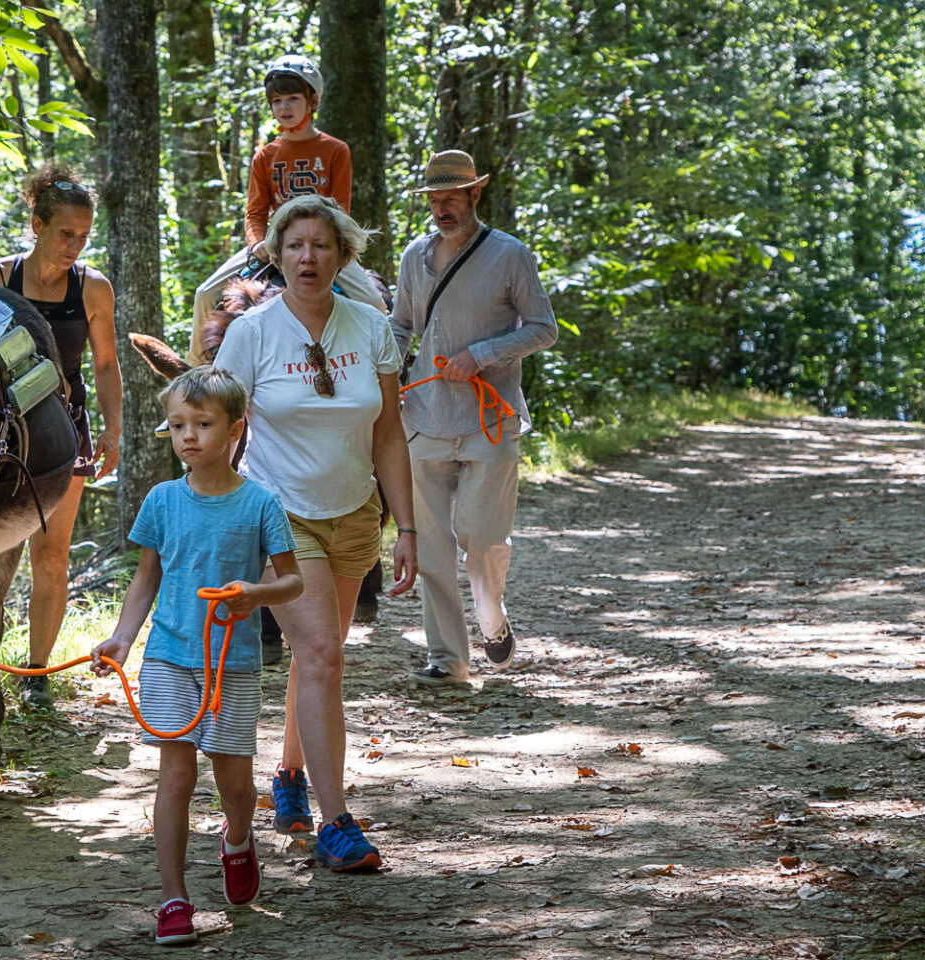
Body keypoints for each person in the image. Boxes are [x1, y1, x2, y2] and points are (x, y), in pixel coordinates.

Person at [212, 194, 418, 872]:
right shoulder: (253, 334)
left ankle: (290, 775)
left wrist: (406, 525)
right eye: (295, 245)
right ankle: (337, 823)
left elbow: (387, 432)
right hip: (282, 516)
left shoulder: (370, 328)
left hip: (356, 512)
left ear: (342, 255)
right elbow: (221, 429)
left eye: (321, 246)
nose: (308, 257)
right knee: (325, 653)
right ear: (274, 253)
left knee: (315, 655)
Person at [90, 366, 303, 945]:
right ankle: (173, 899)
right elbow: (145, 580)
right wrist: (122, 639)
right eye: (179, 424)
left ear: (236, 430)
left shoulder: (261, 504)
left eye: (203, 424)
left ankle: (237, 839)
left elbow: (293, 584)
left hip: (232, 664)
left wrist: (254, 594)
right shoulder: (161, 500)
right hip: (168, 655)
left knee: (235, 784)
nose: (189, 436)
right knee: (176, 773)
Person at [389, 150, 558, 687]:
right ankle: (447, 659)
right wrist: (387, 373)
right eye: (434, 200)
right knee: (432, 545)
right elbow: (399, 326)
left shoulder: (510, 255)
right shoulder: (415, 256)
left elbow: (542, 328)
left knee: (482, 539)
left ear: (474, 196)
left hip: (491, 418)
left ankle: (492, 617)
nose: (442, 209)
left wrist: (482, 354)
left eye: (451, 199)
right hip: (423, 417)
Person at [0, 165, 122, 710]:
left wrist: (113, 429)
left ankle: (36, 673)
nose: (75, 245)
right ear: (37, 224)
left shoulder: (92, 287)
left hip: (66, 430)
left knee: (52, 554)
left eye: (84, 236)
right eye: (66, 233)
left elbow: (107, 364)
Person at [187, 54, 388, 365]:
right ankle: (198, 374)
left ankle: (390, 371)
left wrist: (328, 244)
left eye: (293, 98)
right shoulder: (265, 156)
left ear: (313, 100)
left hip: (324, 240)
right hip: (274, 241)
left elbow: (341, 209)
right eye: (277, 100)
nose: (284, 108)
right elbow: (255, 213)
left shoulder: (336, 150)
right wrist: (258, 244)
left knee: (375, 303)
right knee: (204, 293)